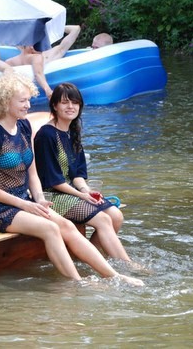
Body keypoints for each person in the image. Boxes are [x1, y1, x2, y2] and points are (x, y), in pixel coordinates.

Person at [0, 71, 142, 285]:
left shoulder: (24, 127)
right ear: (6, 102)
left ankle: (115, 275)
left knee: (67, 226)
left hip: (24, 202)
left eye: (28, 99)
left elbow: (32, 172)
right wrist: (25, 204)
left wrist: (38, 199)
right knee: (50, 228)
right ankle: (77, 281)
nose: (28, 105)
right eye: (23, 100)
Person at [34, 83, 131, 259]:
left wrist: (87, 191)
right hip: (52, 196)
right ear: (55, 106)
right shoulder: (46, 135)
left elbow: (77, 174)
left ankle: (86, 259)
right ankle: (128, 265)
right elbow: (54, 181)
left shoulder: (72, 131)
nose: (71, 107)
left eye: (75, 102)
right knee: (103, 219)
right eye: (65, 102)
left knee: (115, 215)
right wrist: (81, 195)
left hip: (72, 192)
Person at [6, 25, 81, 98]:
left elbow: (76, 29)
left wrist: (48, 28)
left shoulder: (50, 54)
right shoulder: (22, 54)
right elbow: (38, 74)